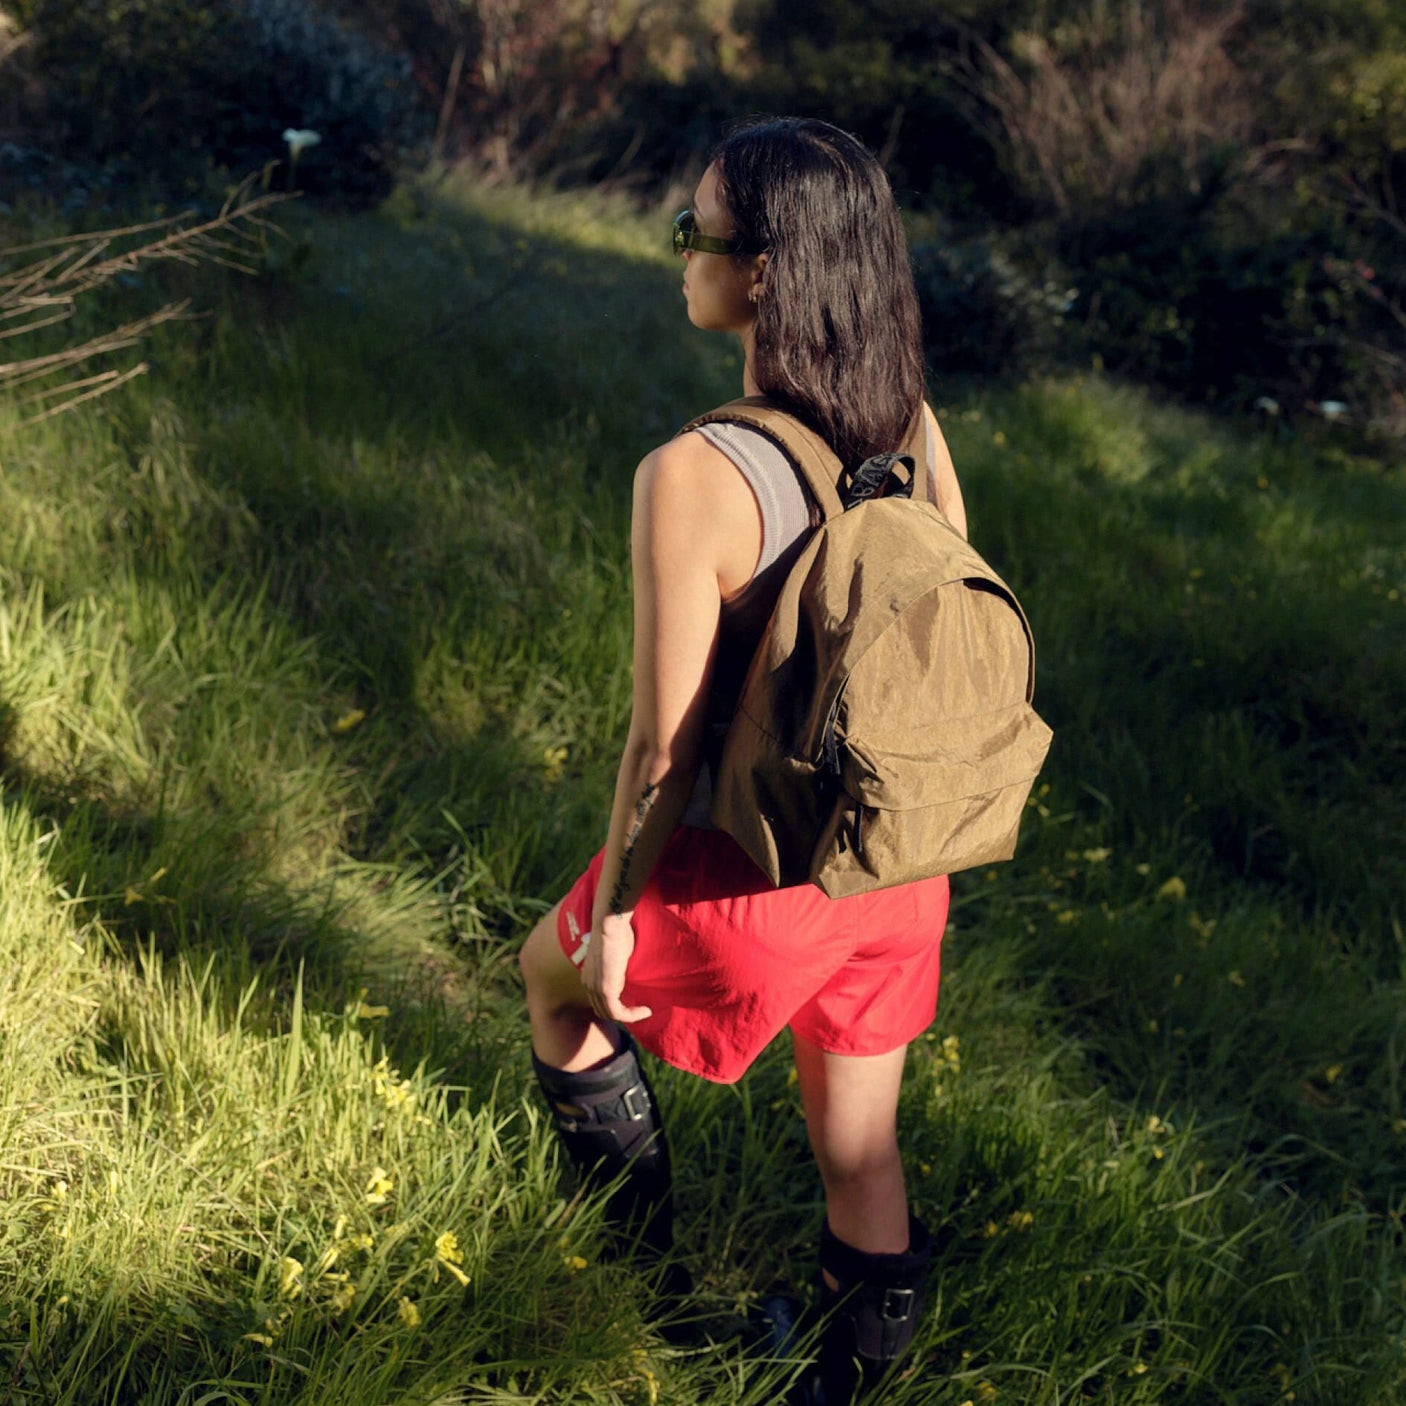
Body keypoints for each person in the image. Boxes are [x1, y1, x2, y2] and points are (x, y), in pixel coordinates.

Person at [518, 116, 968, 1404]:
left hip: (751, 883)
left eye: (691, 229)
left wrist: (611, 912)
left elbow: (663, 745)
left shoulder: (697, 472)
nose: (676, 252)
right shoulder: (914, 430)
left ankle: (636, 1304)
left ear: (762, 269)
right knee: (859, 1149)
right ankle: (844, 1382)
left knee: (553, 986)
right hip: (893, 867)